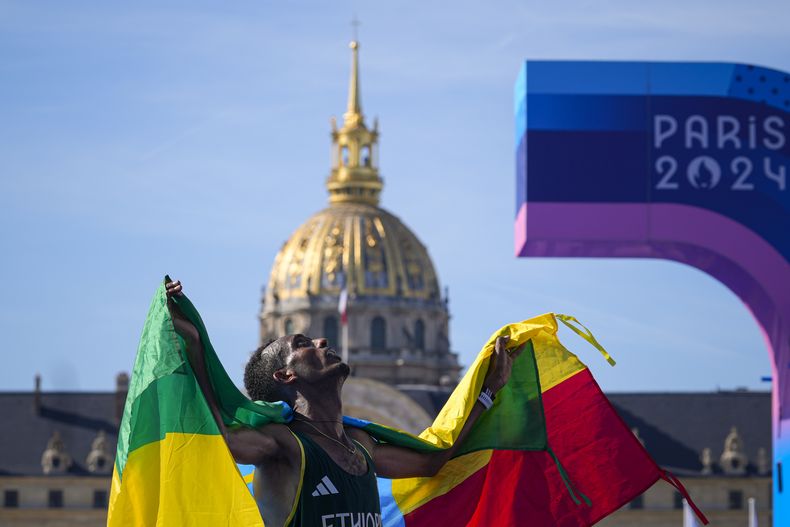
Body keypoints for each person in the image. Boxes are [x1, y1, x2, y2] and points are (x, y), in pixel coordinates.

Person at [165, 279, 521, 527]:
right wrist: (194, 345)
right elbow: (222, 440)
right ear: (285, 376)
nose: (322, 340)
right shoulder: (284, 443)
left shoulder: (360, 442)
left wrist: (489, 390)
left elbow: (433, 461)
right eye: (303, 343)